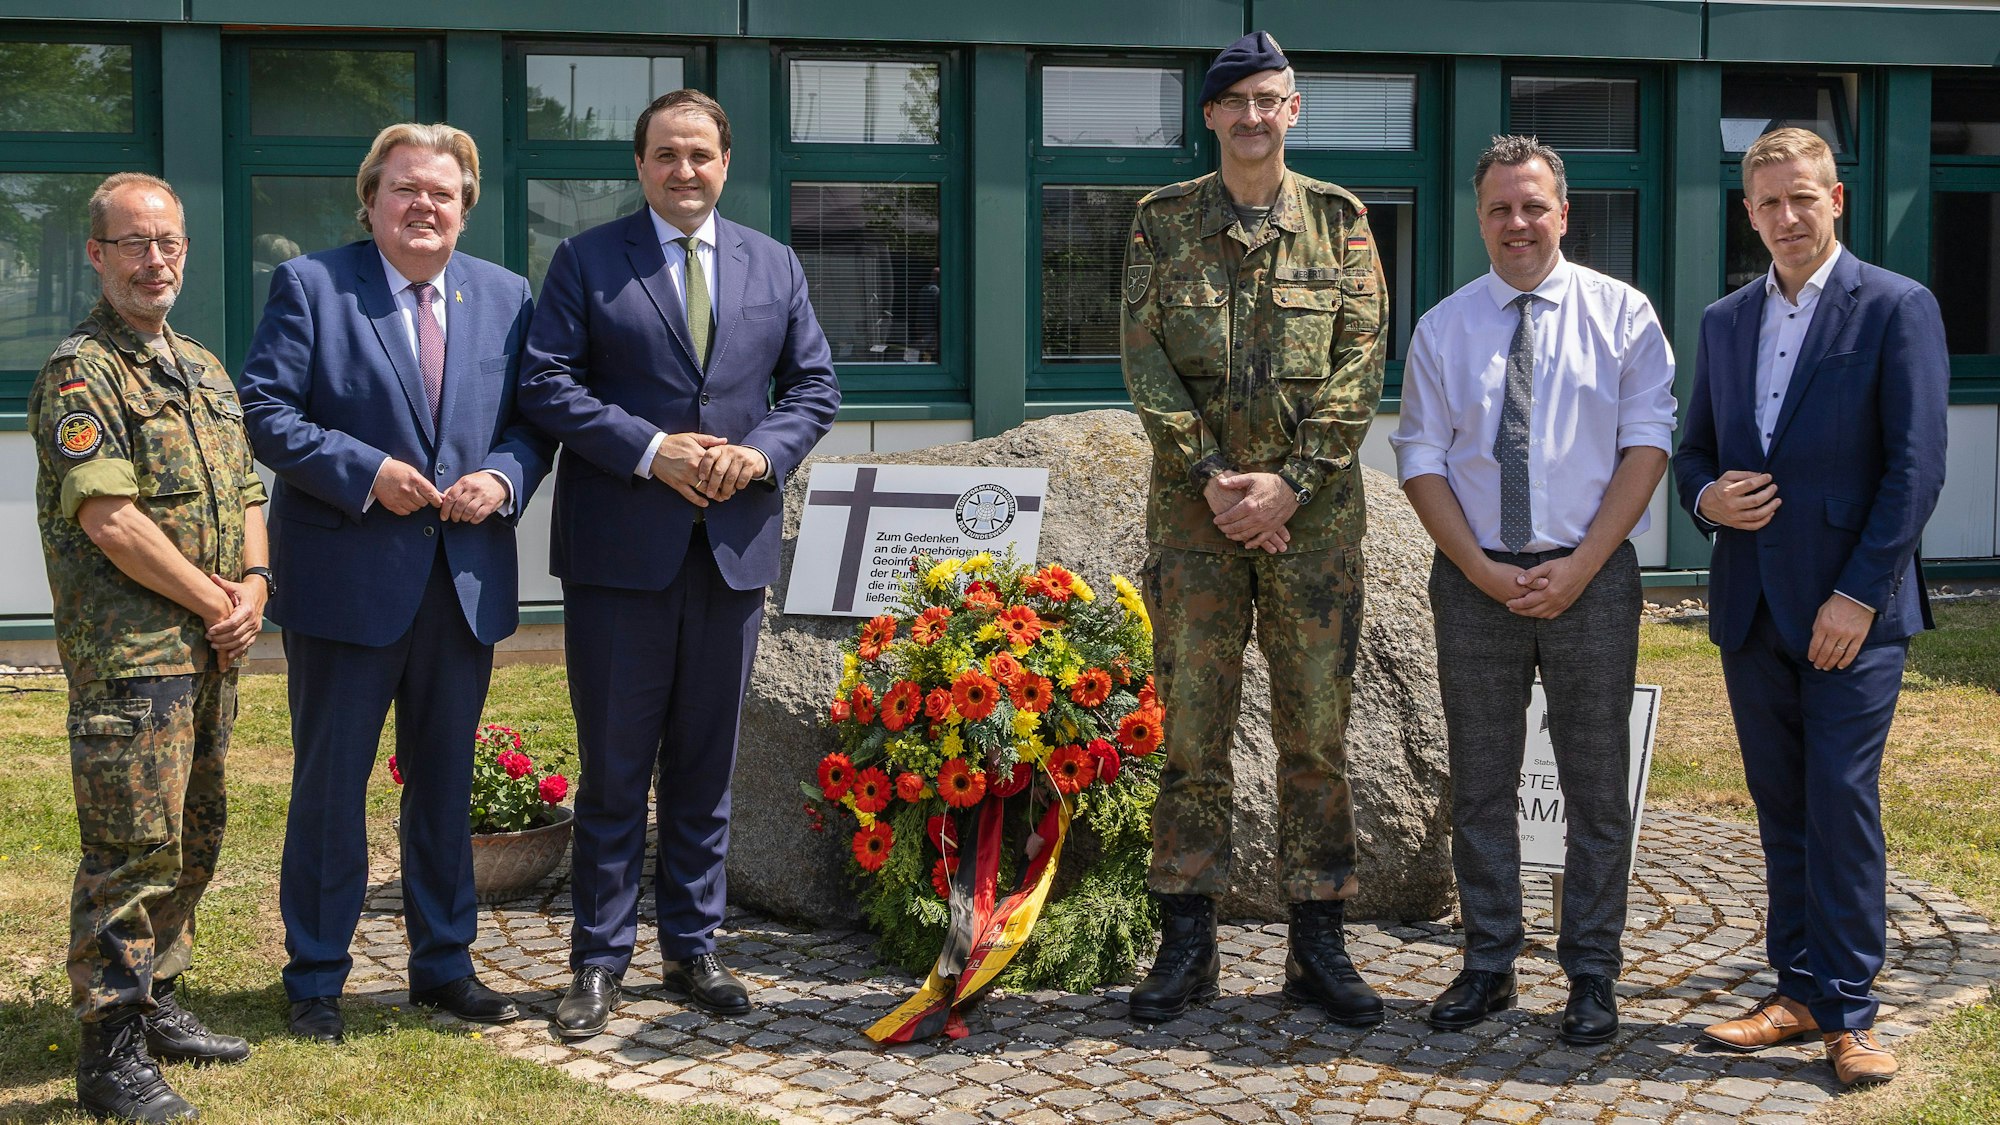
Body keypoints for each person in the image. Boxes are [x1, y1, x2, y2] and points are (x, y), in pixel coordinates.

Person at [517, 89, 839, 1040]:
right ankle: (598, 960)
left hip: (731, 552)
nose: (684, 170)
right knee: (617, 766)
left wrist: (763, 452)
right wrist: (653, 449)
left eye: (700, 154)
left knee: (706, 762)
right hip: (623, 554)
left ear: (726, 163)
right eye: (666, 154)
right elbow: (545, 383)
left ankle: (694, 946)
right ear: (640, 164)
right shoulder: (585, 260)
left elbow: (813, 385)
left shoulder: (771, 263)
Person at [238, 123, 553, 1043]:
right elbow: (265, 412)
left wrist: (503, 477)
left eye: (443, 193)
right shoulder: (313, 286)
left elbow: (533, 425)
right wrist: (366, 470)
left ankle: (443, 966)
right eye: (405, 189)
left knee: (445, 782)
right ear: (370, 198)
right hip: (347, 578)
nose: (424, 205)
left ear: (466, 207)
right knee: (332, 784)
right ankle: (317, 976)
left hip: (463, 580)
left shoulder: (507, 295)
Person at [1120, 31, 1388, 1026]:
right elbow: (1144, 364)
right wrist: (1217, 485)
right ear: (1208, 117)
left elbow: (1361, 370)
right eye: (1233, 103)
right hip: (1193, 526)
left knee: (1315, 737)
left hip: (1311, 529)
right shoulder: (1161, 222)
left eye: (1267, 100)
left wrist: (1285, 489)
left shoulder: (1340, 222)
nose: (1250, 118)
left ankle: (1316, 939)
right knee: (1191, 734)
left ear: (1292, 109)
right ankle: (1185, 943)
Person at [1673, 126, 1948, 1088]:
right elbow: (1693, 453)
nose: (1786, 218)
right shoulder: (1723, 319)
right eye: (1768, 203)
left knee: (1840, 803)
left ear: (1836, 200)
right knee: (1781, 804)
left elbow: (1915, 472)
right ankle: (1795, 992)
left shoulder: (1896, 308)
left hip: (1850, 616)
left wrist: (1855, 597)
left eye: (1804, 198)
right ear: (1748, 213)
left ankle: (1852, 1011)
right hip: (1751, 604)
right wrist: (1703, 499)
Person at [1391, 136, 1676, 1046]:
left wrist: (1584, 563)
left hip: (1590, 575)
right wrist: (1480, 567)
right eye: (1500, 210)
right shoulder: (1443, 327)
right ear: (1481, 220)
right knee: (1480, 780)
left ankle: (1591, 971)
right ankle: (1489, 962)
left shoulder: (1624, 314)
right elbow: (1420, 459)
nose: (1518, 223)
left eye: (1533, 206)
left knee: (1595, 783)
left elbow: (1648, 445)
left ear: (1563, 211)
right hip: (1475, 578)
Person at [31, 172, 263, 1123]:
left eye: (169, 242)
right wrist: (217, 597)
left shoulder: (202, 367)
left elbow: (248, 493)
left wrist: (256, 587)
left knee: (194, 837)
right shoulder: (83, 371)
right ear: (97, 254)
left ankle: (160, 998)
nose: (155, 259)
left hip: (212, 646)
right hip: (134, 656)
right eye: (134, 243)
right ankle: (109, 1049)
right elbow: (110, 517)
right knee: (131, 849)